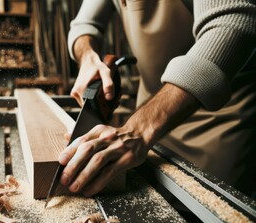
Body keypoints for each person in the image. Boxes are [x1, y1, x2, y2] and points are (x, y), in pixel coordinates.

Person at [59, 0, 256, 198]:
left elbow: (231, 22)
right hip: (149, 124)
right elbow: (84, 25)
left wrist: (139, 129)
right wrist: (87, 57)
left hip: (216, 124)